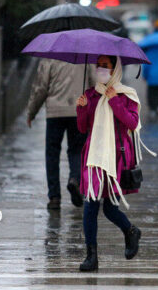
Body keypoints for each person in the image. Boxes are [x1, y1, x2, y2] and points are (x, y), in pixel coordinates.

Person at [76, 55, 154, 271]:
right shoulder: (91, 94)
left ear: (115, 69)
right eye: (98, 66)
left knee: (110, 208)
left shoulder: (126, 94)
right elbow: (83, 129)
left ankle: (130, 231)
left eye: (105, 66)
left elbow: (132, 122)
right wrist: (82, 108)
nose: (101, 70)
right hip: (94, 157)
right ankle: (91, 256)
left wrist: (114, 100)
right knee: (90, 205)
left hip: (117, 157)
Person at [27, 59, 95, 210]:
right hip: (79, 111)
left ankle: (54, 197)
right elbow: (94, 85)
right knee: (77, 150)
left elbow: (40, 88)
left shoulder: (49, 59)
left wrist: (32, 112)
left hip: (54, 113)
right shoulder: (85, 58)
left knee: (52, 153)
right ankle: (75, 180)